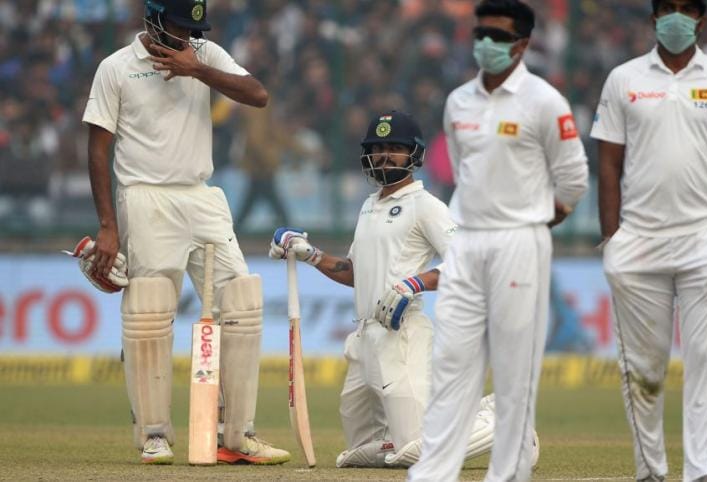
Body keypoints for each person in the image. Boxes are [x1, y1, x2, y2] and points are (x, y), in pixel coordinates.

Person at [80, 0, 289, 465]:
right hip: (144, 194)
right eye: (177, 27)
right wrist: (108, 226)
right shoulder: (115, 68)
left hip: (200, 193)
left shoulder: (204, 54)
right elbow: (98, 148)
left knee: (241, 300)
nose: (185, 37)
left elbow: (258, 95)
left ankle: (236, 435)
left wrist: (198, 70)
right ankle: (154, 434)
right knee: (150, 310)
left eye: (193, 30)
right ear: (153, 20)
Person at [408, 0, 590, 480]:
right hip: (465, 244)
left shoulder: (545, 102)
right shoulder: (458, 102)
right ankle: (432, 473)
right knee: (451, 365)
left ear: (523, 43)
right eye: (481, 32)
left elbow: (572, 183)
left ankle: (508, 473)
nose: (486, 42)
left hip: (520, 242)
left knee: (513, 373)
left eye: (499, 35)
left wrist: (528, 224)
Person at [270, 111, 499, 469]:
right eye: (377, 149)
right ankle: (414, 439)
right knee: (359, 453)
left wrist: (416, 282)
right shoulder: (369, 206)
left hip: (401, 332)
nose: (385, 155)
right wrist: (309, 254)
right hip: (363, 338)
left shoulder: (426, 206)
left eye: (396, 148)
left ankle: (502, 420)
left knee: (418, 450)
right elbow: (354, 273)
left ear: (415, 155)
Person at [590, 0, 707, 480]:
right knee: (642, 373)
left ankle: (704, 472)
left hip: (705, 237)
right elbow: (607, 162)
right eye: (668, 8)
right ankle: (651, 471)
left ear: (702, 21)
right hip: (638, 241)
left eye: (687, 9)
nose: (677, 17)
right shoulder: (623, 79)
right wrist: (612, 238)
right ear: (652, 18)